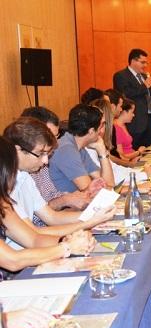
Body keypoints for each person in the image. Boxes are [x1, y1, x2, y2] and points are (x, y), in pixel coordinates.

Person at [2, 118, 114, 250]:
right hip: (28, 253)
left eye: (47, 154)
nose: (45, 161)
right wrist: (89, 222)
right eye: (40, 154)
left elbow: (52, 217)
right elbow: (34, 234)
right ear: (17, 150)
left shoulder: (25, 177)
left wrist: (95, 215)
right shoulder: (6, 183)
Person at [0, 136, 95, 273]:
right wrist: (67, 247)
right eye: (12, 170)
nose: (13, 177)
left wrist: (70, 241)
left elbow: (33, 239)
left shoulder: (3, 202)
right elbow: (13, 261)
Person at [21, 107, 94, 212]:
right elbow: (37, 216)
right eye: (49, 136)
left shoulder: (42, 164)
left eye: (56, 136)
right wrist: (65, 200)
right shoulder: (17, 175)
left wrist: (77, 197)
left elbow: (54, 200)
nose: (55, 143)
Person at [113, 48, 151, 148]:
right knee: (136, 152)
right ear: (133, 61)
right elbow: (125, 95)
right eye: (142, 62)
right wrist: (144, 86)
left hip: (149, 123)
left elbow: (150, 95)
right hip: (134, 123)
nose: (145, 65)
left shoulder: (144, 77)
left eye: (146, 63)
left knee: (150, 151)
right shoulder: (121, 76)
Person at [49, 104, 115, 192]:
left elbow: (109, 184)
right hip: (69, 201)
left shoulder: (78, 147)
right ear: (91, 131)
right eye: (100, 127)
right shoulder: (67, 150)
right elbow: (92, 192)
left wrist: (102, 152)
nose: (101, 131)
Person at [89, 99, 151, 183]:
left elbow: (115, 168)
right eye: (102, 125)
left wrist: (141, 172)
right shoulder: (91, 148)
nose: (102, 130)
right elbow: (108, 181)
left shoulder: (97, 144)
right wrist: (144, 174)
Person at [113, 98, 146, 162]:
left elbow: (128, 149)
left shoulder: (123, 125)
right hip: (127, 163)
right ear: (124, 112)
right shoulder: (116, 128)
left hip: (132, 159)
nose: (133, 115)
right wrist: (138, 152)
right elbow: (121, 156)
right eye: (132, 112)